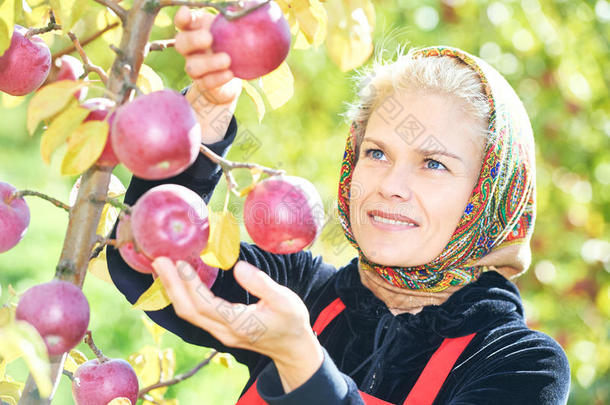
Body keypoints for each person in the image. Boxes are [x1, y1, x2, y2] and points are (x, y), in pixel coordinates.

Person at [106, 6, 571, 404]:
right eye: (376, 153)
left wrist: (301, 363)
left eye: (433, 164)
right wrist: (205, 116)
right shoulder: (303, 293)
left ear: (492, 194)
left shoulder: (520, 362)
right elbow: (146, 260)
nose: (391, 184)